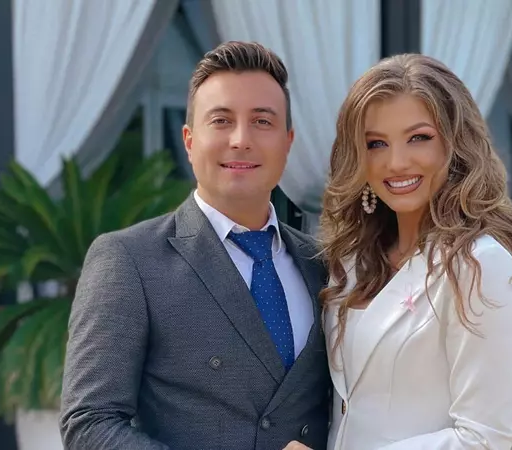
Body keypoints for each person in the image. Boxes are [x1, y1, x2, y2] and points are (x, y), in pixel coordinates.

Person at [60, 41, 331, 450]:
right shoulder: (129, 261)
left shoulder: (322, 264)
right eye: (221, 120)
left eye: (262, 121)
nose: (240, 139)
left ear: (288, 141)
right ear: (189, 140)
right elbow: (89, 424)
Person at [297, 54, 512, 450]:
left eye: (419, 138)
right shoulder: (351, 260)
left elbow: (483, 439)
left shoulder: (479, 264)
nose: (396, 163)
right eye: (376, 143)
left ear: (454, 144)